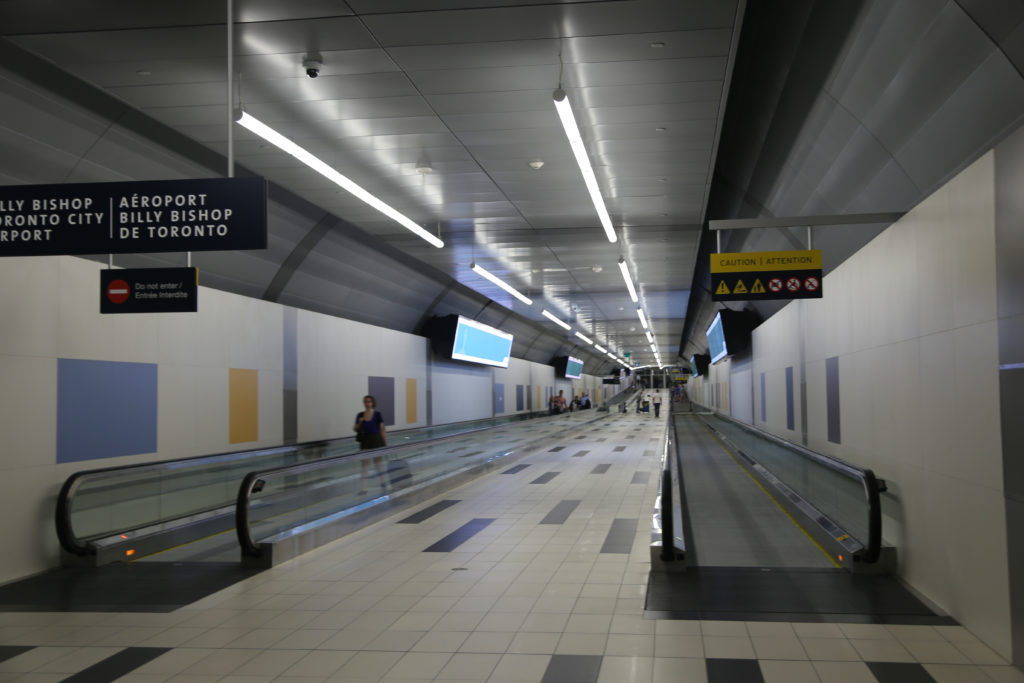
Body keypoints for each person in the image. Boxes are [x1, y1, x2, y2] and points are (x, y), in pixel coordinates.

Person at [354, 395, 387, 494]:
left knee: (378, 463)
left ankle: (383, 482)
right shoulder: (360, 415)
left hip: (376, 440)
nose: (367, 404)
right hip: (365, 441)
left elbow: (382, 430)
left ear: (372, 403)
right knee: (365, 465)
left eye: (369, 402)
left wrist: (385, 444)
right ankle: (364, 488)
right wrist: (360, 423)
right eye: (366, 402)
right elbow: (355, 429)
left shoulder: (377, 414)